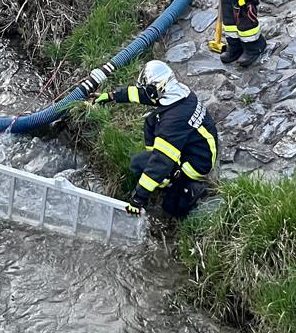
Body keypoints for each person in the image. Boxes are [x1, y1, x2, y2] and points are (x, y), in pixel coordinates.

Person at [89, 60, 218, 218]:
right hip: (196, 145)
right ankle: (165, 175)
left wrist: (138, 198)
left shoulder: (173, 121)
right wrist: (112, 96)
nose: (145, 93)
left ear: (157, 88)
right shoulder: (177, 93)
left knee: (169, 207)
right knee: (151, 121)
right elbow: (142, 94)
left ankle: (186, 186)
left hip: (197, 163)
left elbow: (161, 162)